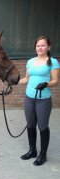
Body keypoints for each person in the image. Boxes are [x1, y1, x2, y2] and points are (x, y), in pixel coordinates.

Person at [19, 36, 59, 166]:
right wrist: (15, 81)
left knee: (42, 126)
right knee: (30, 125)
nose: (40, 48)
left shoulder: (52, 62)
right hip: (29, 98)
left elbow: (55, 81)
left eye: (43, 45)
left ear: (49, 47)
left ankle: (43, 154)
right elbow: (26, 79)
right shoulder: (30, 62)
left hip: (43, 99)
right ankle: (32, 151)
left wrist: (46, 84)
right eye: (38, 46)